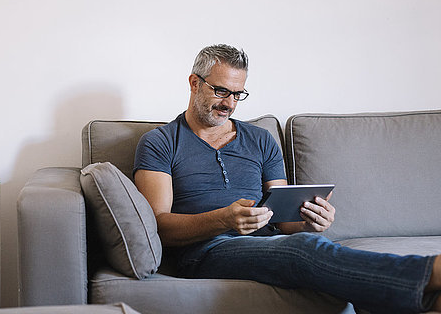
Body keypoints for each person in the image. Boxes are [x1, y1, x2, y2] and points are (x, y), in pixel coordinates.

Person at [133, 44, 441, 313]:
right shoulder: (160, 142)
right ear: (194, 83)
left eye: (238, 94)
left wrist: (311, 219)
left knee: (308, 241)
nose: (229, 103)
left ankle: (426, 302)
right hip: (205, 251)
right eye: (221, 91)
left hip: (270, 242)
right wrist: (224, 219)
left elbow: (283, 220)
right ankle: (431, 273)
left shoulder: (260, 139)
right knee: (302, 249)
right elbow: (159, 224)